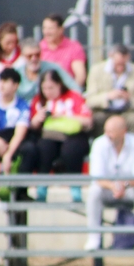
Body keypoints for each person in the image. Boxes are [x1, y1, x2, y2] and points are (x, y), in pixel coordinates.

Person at [85, 115, 134, 252]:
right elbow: (97, 177)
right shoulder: (99, 143)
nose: (108, 134)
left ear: (124, 131)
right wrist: (113, 186)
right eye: (106, 130)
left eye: (111, 131)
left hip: (130, 189)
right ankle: (94, 238)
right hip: (108, 189)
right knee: (94, 190)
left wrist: (124, 185)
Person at [29, 70, 92, 203]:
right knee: (44, 148)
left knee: (71, 150)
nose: (48, 92)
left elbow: (88, 121)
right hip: (49, 136)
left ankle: (75, 188)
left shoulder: (73, 96)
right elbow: (31, 126)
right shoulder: (39, 101)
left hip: (74, 135)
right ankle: (41, 187)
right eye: (44, 88)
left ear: (59, 85)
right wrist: (37, 119)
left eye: (51, 87)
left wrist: (63, 116)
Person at [0, 68, 38, 202]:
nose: (2, 85)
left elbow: (20, 132)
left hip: (14, 138)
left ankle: (22, 192)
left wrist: (8, 154)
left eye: (6, 81)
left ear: (16, 85)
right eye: (0, 81)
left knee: (30, 149)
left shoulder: (22, 105)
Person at [86, 43, 134, 134]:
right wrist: (108, 96)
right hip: (103, 111)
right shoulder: (97, 70)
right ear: (111, 56)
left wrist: (128, 99)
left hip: (127, 111)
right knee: (96, 119)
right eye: (117, 64)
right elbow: (90, 100)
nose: (120, 67)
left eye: (123, 64)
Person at [14, 37, 82, 101]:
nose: (34, 59)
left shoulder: (53, 68)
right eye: (29, 56)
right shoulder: (16, 73)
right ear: (22, 55)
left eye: (37, 55)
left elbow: (74, 88)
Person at [40, 14, 87, 87]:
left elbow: (80, 76)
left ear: (61, 30)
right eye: (44, 28)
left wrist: (72, 93)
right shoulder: (38, 48)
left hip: (67, 91)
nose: (47, 32)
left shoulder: (73, 47)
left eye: (51, 28)